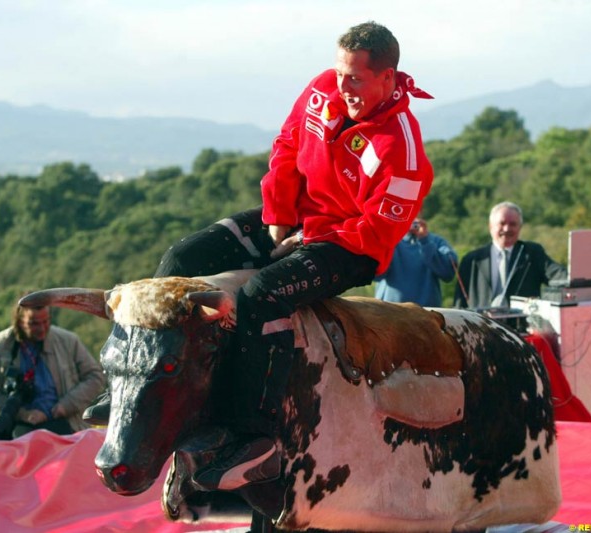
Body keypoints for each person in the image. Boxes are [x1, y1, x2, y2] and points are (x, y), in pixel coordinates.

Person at [84, 20, 434, 492]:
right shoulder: (322, 91)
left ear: (388, 78)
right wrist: (278, 215)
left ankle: (252, 434)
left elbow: (377, 234)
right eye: (340, 73)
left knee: (261, 295)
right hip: (296, 218)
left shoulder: (404, 152)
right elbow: (288, 146)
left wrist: (308, 241)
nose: (343, 86)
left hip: (349, 245)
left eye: (356, 78)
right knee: (180, 261)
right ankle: (133, 390)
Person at [0, 296, 107, 442]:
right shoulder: (1, 345)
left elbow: (95, 376)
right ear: (19, 322)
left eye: (46, 322)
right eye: (34, 324)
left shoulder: (68, 341)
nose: (42, 328)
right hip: (15, 424)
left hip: (62, 420)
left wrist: (66, 405)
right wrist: (22, 414)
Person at [453, 201, 567, 309]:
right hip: (482, 326)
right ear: (490, 226)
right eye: (502, 223)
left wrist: (576, 279)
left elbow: (557, 274)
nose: (507, 229)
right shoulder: (471, 260)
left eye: (513, 224)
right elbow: (459, 303)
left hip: (521, 326)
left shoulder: (532, 253)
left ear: (520, 227)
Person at [374, 217, 458, 307]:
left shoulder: (437, 242)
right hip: (389, 311)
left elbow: (448, 274)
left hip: (426, 313)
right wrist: (389, 237)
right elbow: (375, 275)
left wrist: (425, 241)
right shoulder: (388, 240)